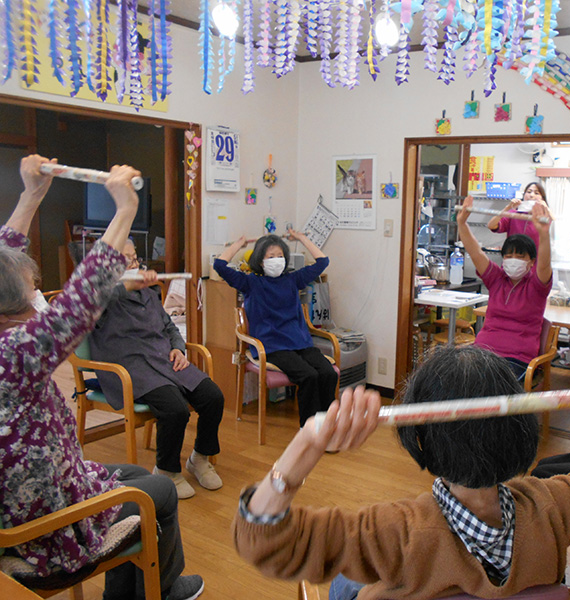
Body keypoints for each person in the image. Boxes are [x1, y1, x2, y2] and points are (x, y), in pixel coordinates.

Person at [232, 345, 570, 600]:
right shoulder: (559, 506)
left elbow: (261, 541)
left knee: (345, 585)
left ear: (420, 438)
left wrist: (306, 443)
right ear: (521, 428)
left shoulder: (395, 534)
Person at [0, 155, 203, 600]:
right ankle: (160, 591)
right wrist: (125, 211)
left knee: (134, 472)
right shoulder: (13, 354)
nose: (38, 292)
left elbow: (3, 256)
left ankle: (132, 591)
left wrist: (32, 194)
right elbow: (82, 298)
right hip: (43, 527)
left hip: (48, 483)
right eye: (32, 287)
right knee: (159, 495)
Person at [88, 238, 224, 499]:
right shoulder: (98, 295)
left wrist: (177, 347)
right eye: (124, 260)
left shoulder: (148, 293)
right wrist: (127, 282)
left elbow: (169, 326)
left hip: (163, 359)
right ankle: (166, 470)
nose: (133, 264)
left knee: (213, 396)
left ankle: (199, 457)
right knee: (175, 409)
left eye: (134, 258)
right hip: (130, 367)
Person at [214, 230, 338, 426]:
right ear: (260, 261)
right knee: (309, 376)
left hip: (300, 343)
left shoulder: (292, 279)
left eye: (280, 256)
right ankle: (310, 430)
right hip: (271, 346)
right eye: (271, 256)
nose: (276, 260)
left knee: (328, 373)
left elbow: (322, 262)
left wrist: (301, 238)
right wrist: (240, 243)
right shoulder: (250, 283)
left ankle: (328, 425)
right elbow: (219, 265)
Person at [458, 195, 553, 381]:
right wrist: (462, 223)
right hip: (482, 352)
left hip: (517, 359)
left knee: (488, 387)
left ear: (531, 261)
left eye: (520, 255)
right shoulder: (496, 279)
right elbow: (475, 251)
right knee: (454, 378)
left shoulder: (537, 286)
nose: (513, 259)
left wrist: (544, 234)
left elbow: (544, 264)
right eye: (508, 256)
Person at [486, 181, 548, 250]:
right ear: (524, 195)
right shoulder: (513, 213)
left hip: (536, 258)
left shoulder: (545, 216)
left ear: (542, 198)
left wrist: (546, 209)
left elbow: (555, 230)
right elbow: (491, 225)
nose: (531, 195)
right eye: (529, 192)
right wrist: (508, 207)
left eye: (536, 193)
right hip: (513, 256)